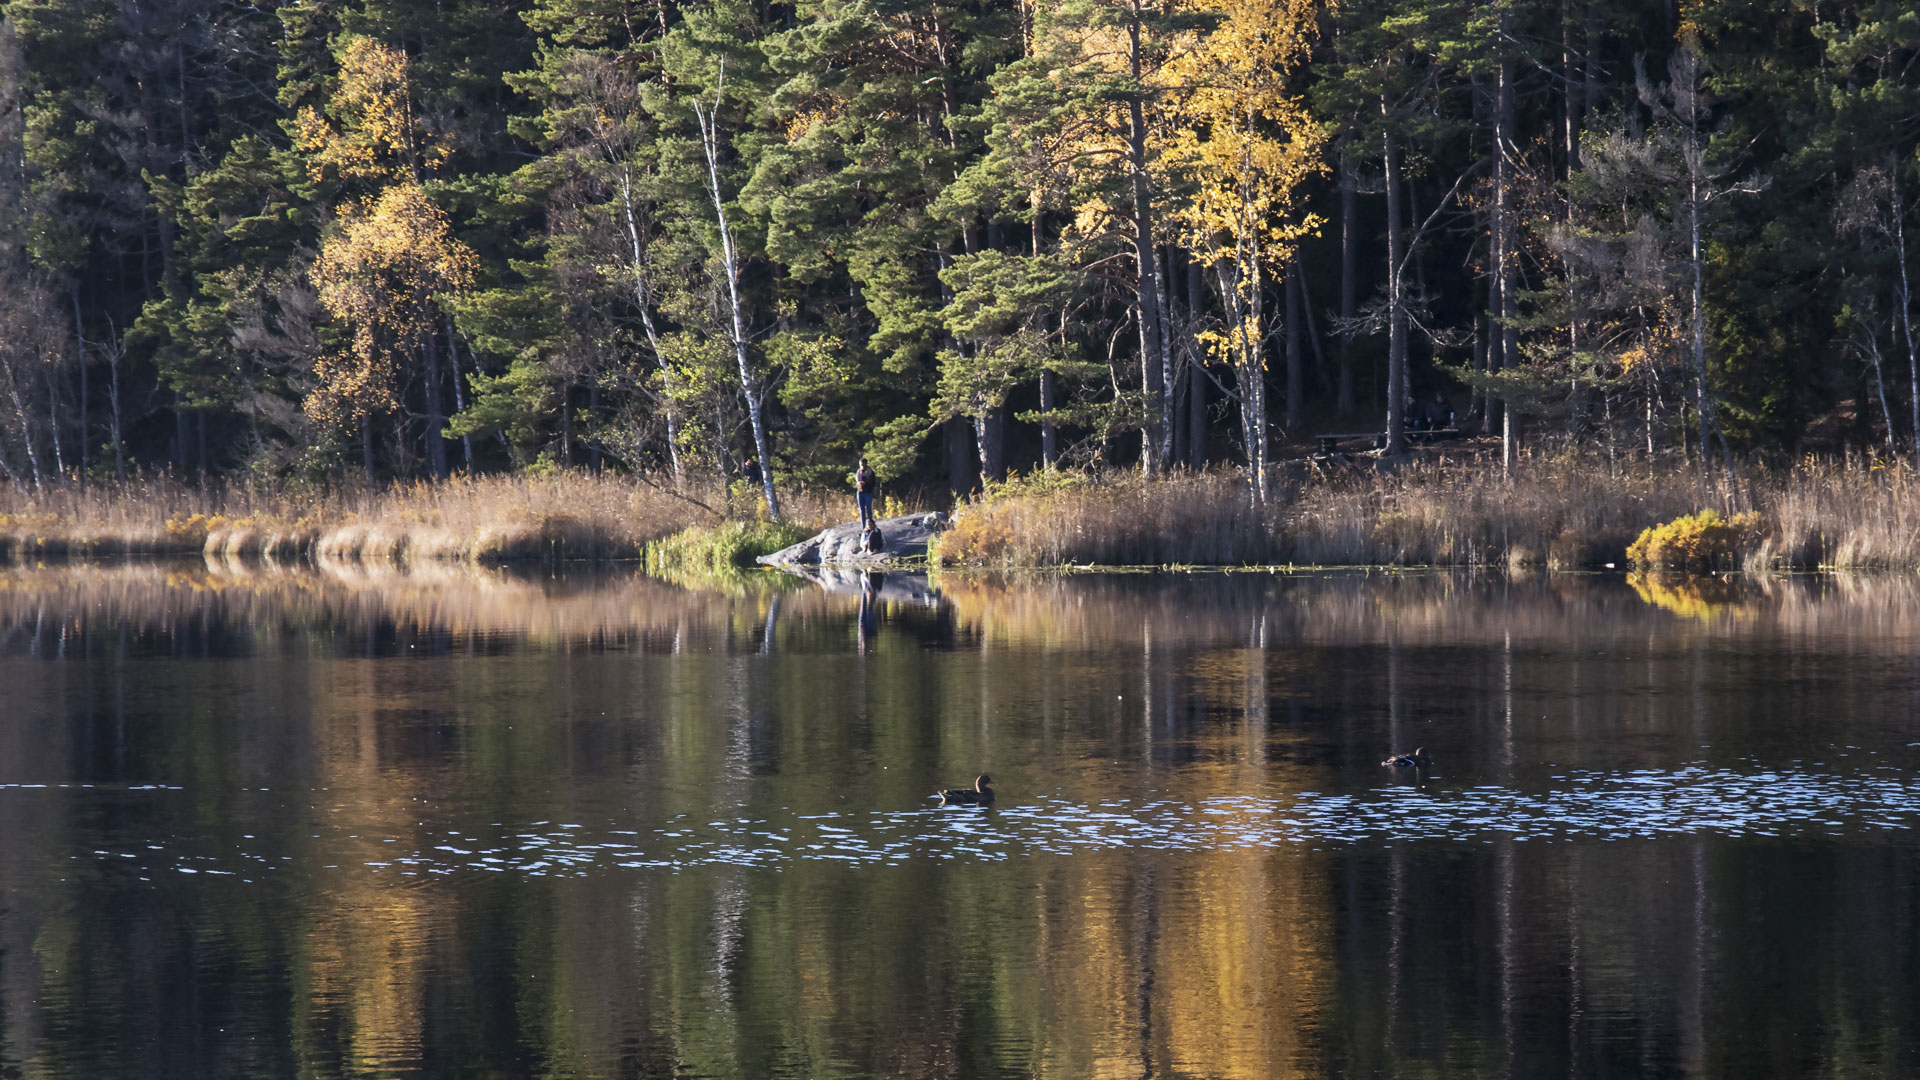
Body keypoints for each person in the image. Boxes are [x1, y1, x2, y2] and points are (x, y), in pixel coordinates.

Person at [854, 456, 877, 529]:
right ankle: (864, 528)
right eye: (861, 465)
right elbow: (857, 481)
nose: (862, 466)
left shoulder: (871, 472)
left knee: (869, 510)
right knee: (861, 510)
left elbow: (873, 483)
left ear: (866, 464)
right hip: (860, 492)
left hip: (868, 493)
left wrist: (866, 483)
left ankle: (871, 527)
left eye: (863, 465)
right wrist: (859, 484)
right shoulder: (858, 472)